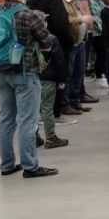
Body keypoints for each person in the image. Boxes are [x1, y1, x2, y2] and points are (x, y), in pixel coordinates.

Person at [0, 0, 60, 178]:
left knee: (6, 119)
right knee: (27, 120)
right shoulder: (27, 13)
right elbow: (47, 41)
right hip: (25, 72)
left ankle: (7, 164)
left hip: (1, 71)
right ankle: (30, 165)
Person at [59, 0, 94, 116]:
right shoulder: (62, 1)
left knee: (79, 74)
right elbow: (66, 21)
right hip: (71, 43)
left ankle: (75, 100)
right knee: (69, 74)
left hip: (80, 42)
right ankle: (65, 103)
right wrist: (82, 19)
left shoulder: (75, 0)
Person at [37, 17, 70, 149]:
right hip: (48, 78)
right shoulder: (51, 39)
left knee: (33, 111)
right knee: (47, 109)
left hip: (32, 78)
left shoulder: (27, 39)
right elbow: (59, 61)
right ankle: (50, 137)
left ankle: (34, 137)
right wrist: (62, 80)